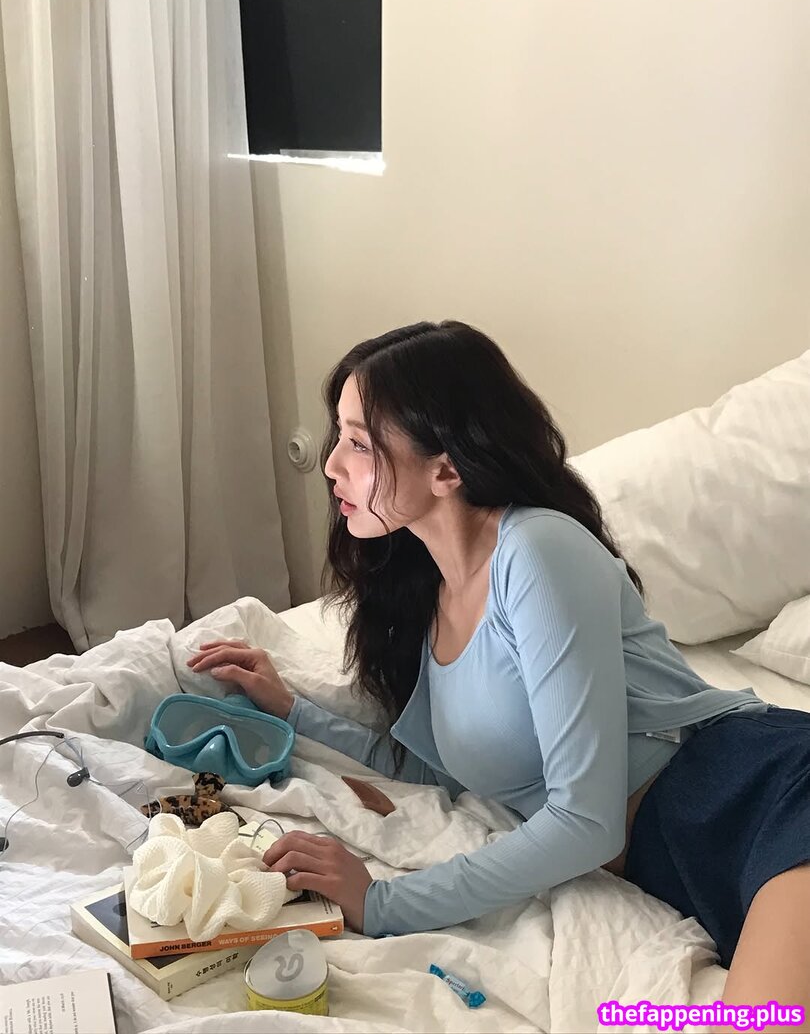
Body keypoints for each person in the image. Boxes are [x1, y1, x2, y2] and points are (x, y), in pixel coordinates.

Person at [187, 321, 810, 1023]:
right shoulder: (428, 595)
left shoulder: (537, 552)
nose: (331, 464)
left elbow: (587, 822)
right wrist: (293, 712)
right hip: (699, 868)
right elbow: (448, 770)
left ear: (446, 469)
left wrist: (383, 902)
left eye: (359, 444)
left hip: (761, 795)